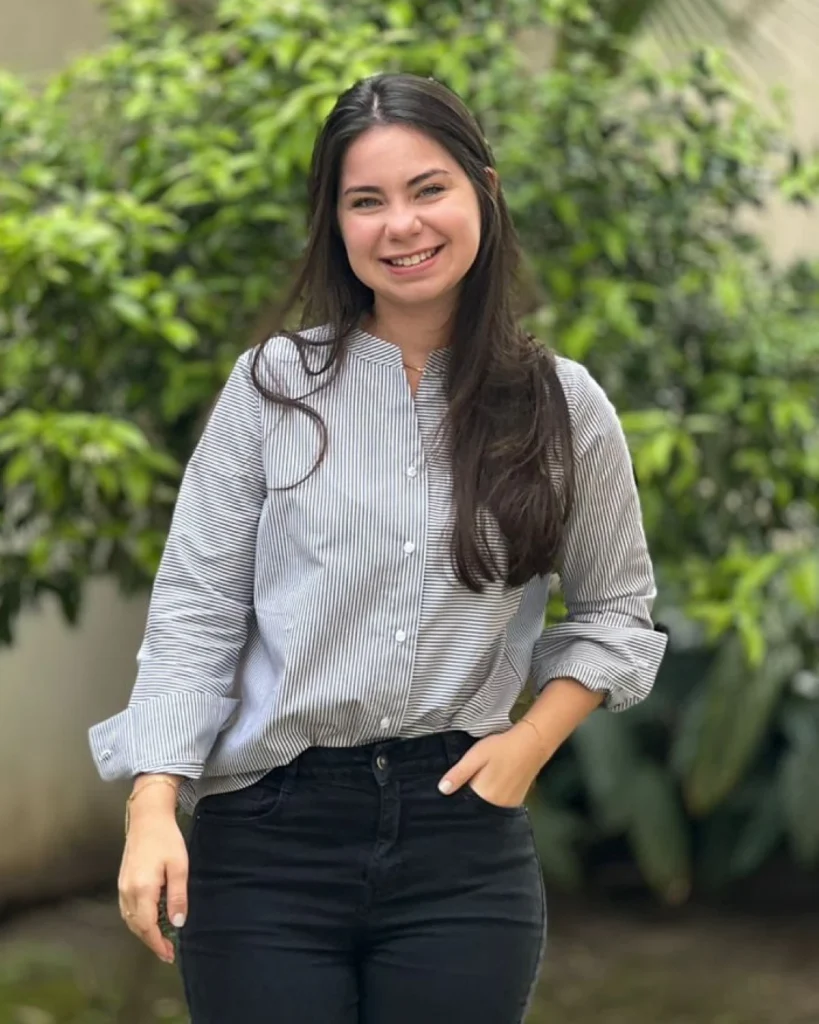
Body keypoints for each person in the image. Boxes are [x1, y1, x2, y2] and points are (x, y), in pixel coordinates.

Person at [89, 71, 668, 1024]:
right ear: (336, 222)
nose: (401, 225)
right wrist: (152, 803)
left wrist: (527, 746)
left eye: (427, 188)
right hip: (268, 840)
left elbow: (615, 613)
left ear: (482, 190)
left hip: (461, 839)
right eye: (366, 201)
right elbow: (197, 609)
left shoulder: (561, 407)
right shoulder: (271, 388)